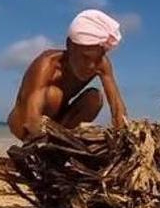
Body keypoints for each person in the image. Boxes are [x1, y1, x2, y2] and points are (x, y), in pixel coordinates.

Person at [7, 9, 128, 141]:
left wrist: (124, 139)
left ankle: (59, 142)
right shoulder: (48, 65)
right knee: (54, 95)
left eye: (97, 59)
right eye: (85, 58)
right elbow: (32, 115)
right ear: (69, 46)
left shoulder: (101, 64)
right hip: (22, 122)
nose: (91, 66)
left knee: (95, 98)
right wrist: (37, 142)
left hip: (57, 122)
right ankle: (45, 143)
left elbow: (117, 108)